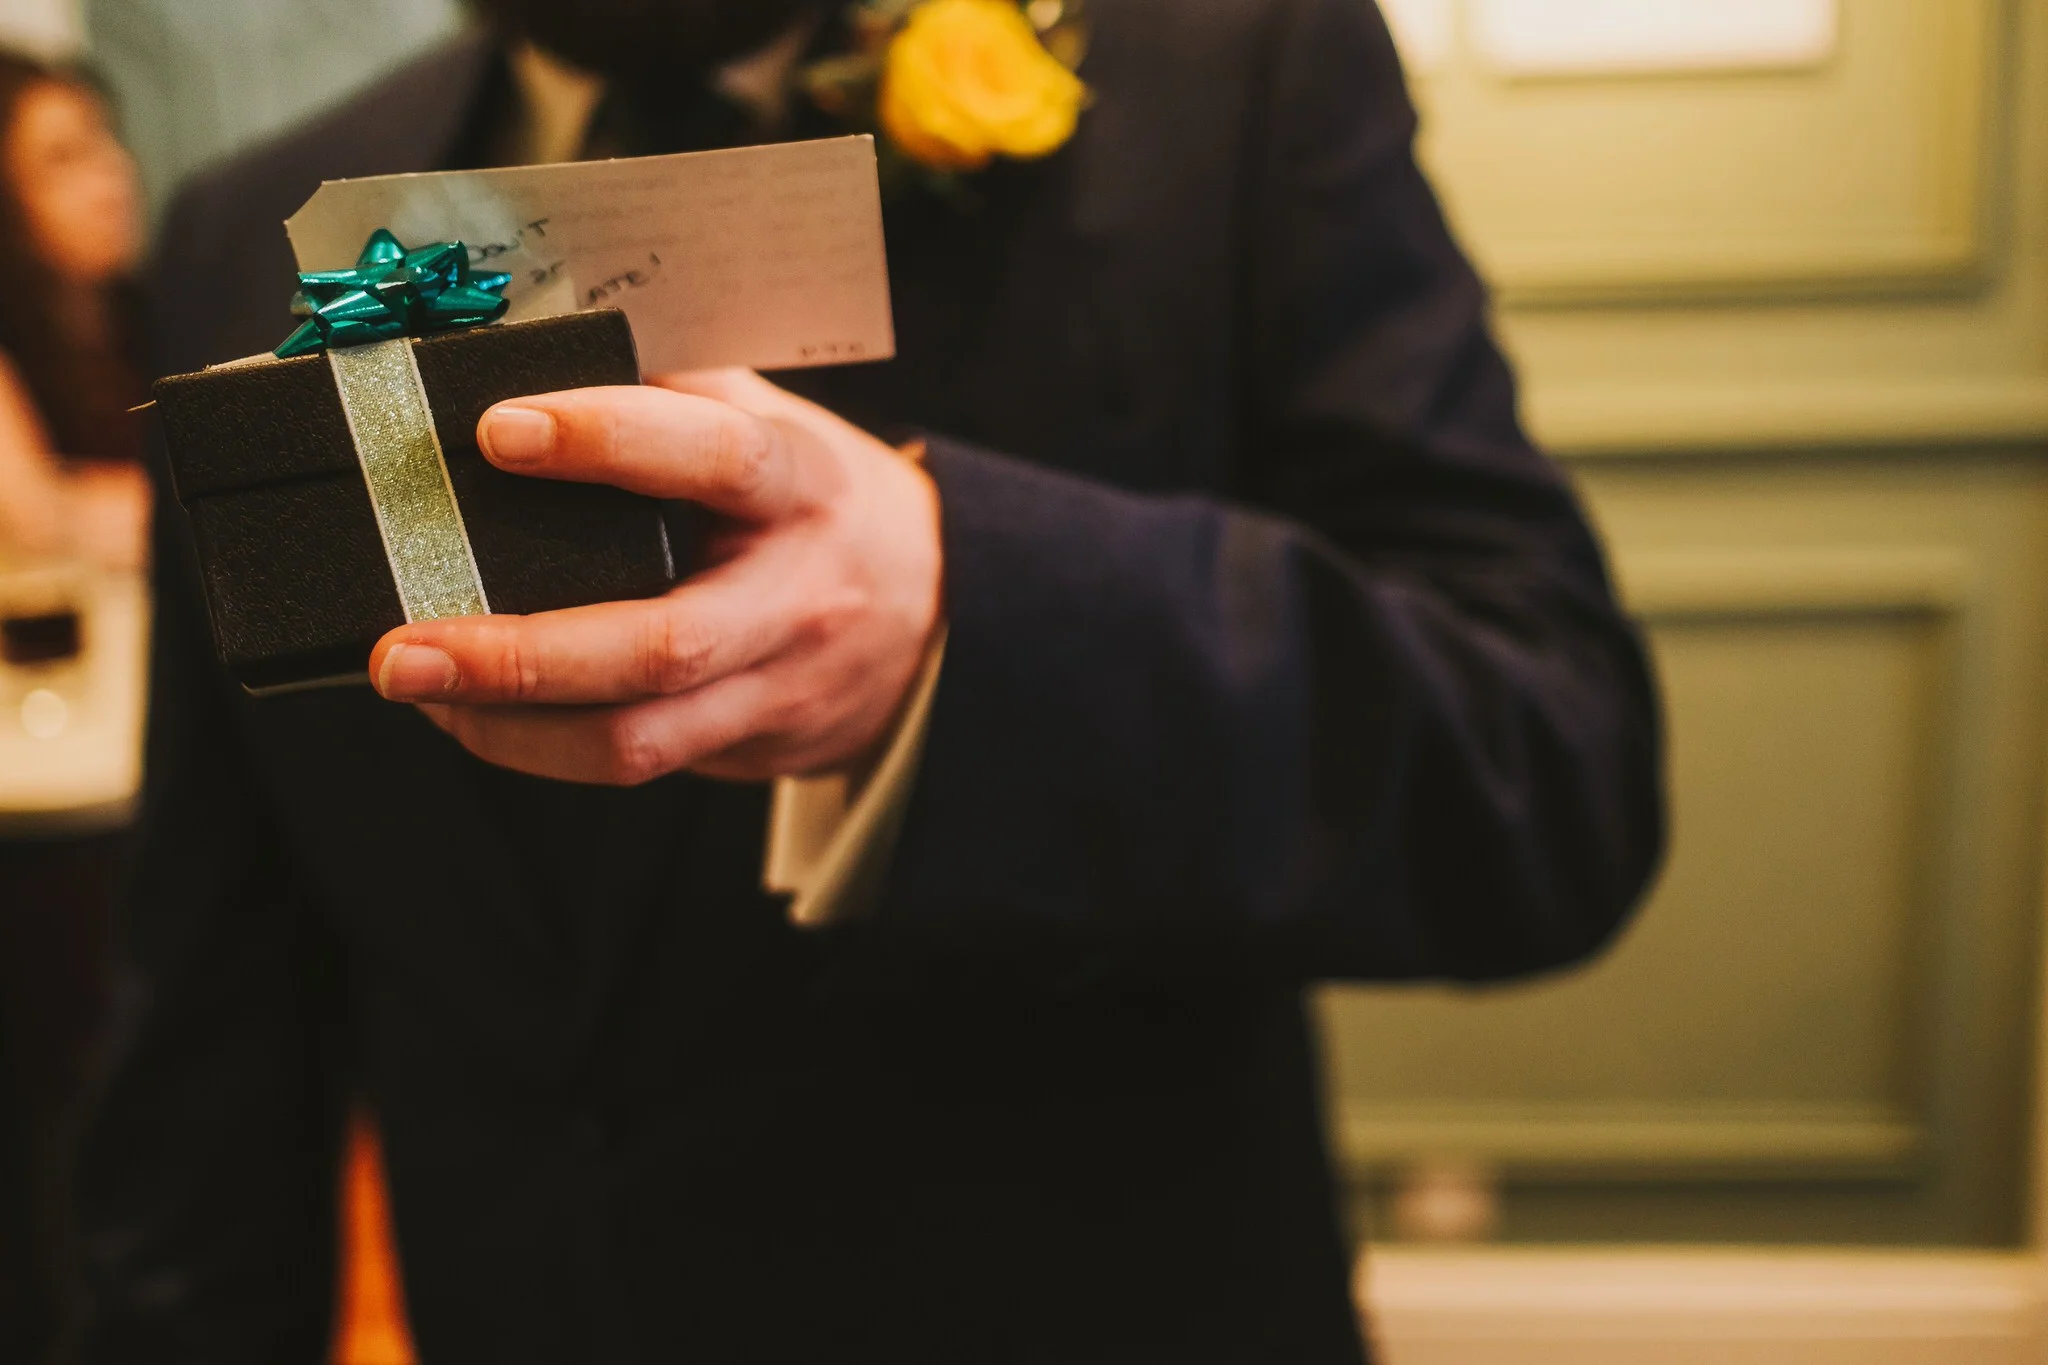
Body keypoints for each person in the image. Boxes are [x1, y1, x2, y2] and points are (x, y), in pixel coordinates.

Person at [79, 2, 1665, 1362]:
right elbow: (215, 1016)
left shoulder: (1236, 64)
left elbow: (1549, 760)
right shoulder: (250, 240)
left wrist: (975, 613)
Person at [0, 48, 148, 1365]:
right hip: (41, 783)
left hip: (126, 751)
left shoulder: (137, 315)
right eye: (60, 158)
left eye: (106, 143)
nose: (110, 179)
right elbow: (41, 514)